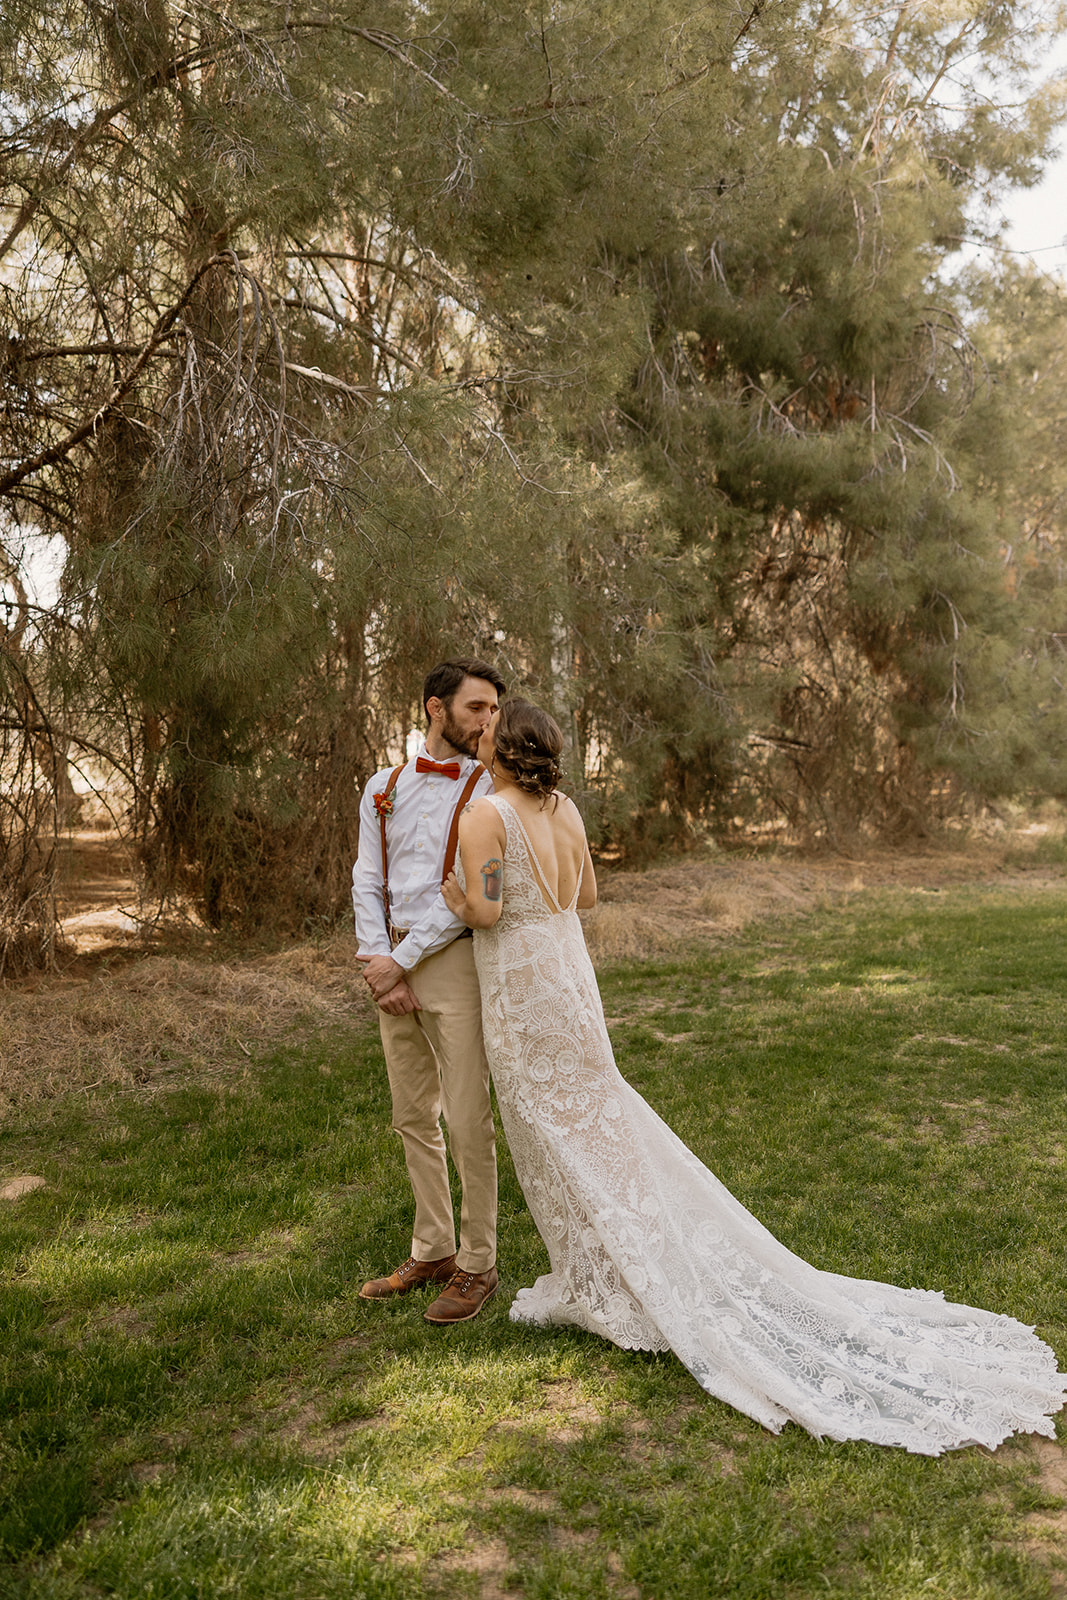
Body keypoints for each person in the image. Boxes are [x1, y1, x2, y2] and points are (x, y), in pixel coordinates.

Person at [442, 697, 1067, 1453]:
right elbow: (586, 897)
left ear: (504, 751)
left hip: (521, 984)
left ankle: (607, 1278)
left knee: (549, 1124)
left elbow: (483, 910)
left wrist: (454, 897)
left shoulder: (485, 814)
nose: (475, 739)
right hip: (567, 975)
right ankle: (606, 1266)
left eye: (484, 733)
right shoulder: (565, 809)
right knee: (593, 1116)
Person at [352, 658, 506, 1325]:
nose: (488, 721)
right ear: (433, 709)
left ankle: (478, 1263)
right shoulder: (381, 786)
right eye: (476, 708)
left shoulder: (491, 790)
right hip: (391, 961)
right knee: (412, 1114)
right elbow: (366, 877)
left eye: (494, 709)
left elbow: (469, 897)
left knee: (468, 1117)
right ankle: (433, 1247)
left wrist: (403, 962)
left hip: (453, 960)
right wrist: (377, 960)